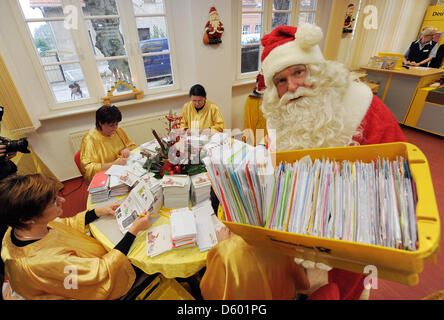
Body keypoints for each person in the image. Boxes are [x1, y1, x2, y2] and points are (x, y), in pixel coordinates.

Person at [200, 24, 406, 300]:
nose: (293, 87)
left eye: (298, 72)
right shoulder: (281, 116)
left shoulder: (364, 109)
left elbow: (396, 185)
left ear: (317, 70)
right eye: (281, 81)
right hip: (291, 234)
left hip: (348, 243)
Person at [0, 173, 151, 299]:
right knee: (145, 258)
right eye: (53, 201)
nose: (63, 200)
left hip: (81, 264)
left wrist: (97, 212)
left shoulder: (20, 229)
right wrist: (133, 231)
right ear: (27, 218)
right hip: (88, 284)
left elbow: (65, 225)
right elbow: (101, 273)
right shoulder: (45, 262)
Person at [80, 105, 136, 184]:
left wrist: (127, 149)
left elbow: (132, 145)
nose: (115, 128)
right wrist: (114, 164)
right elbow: (88, 169)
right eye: (111, 125)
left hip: (123, 171)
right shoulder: (90, 139)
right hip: (107, 177)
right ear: (100, 123)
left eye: (117, 124)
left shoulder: (118, 131)